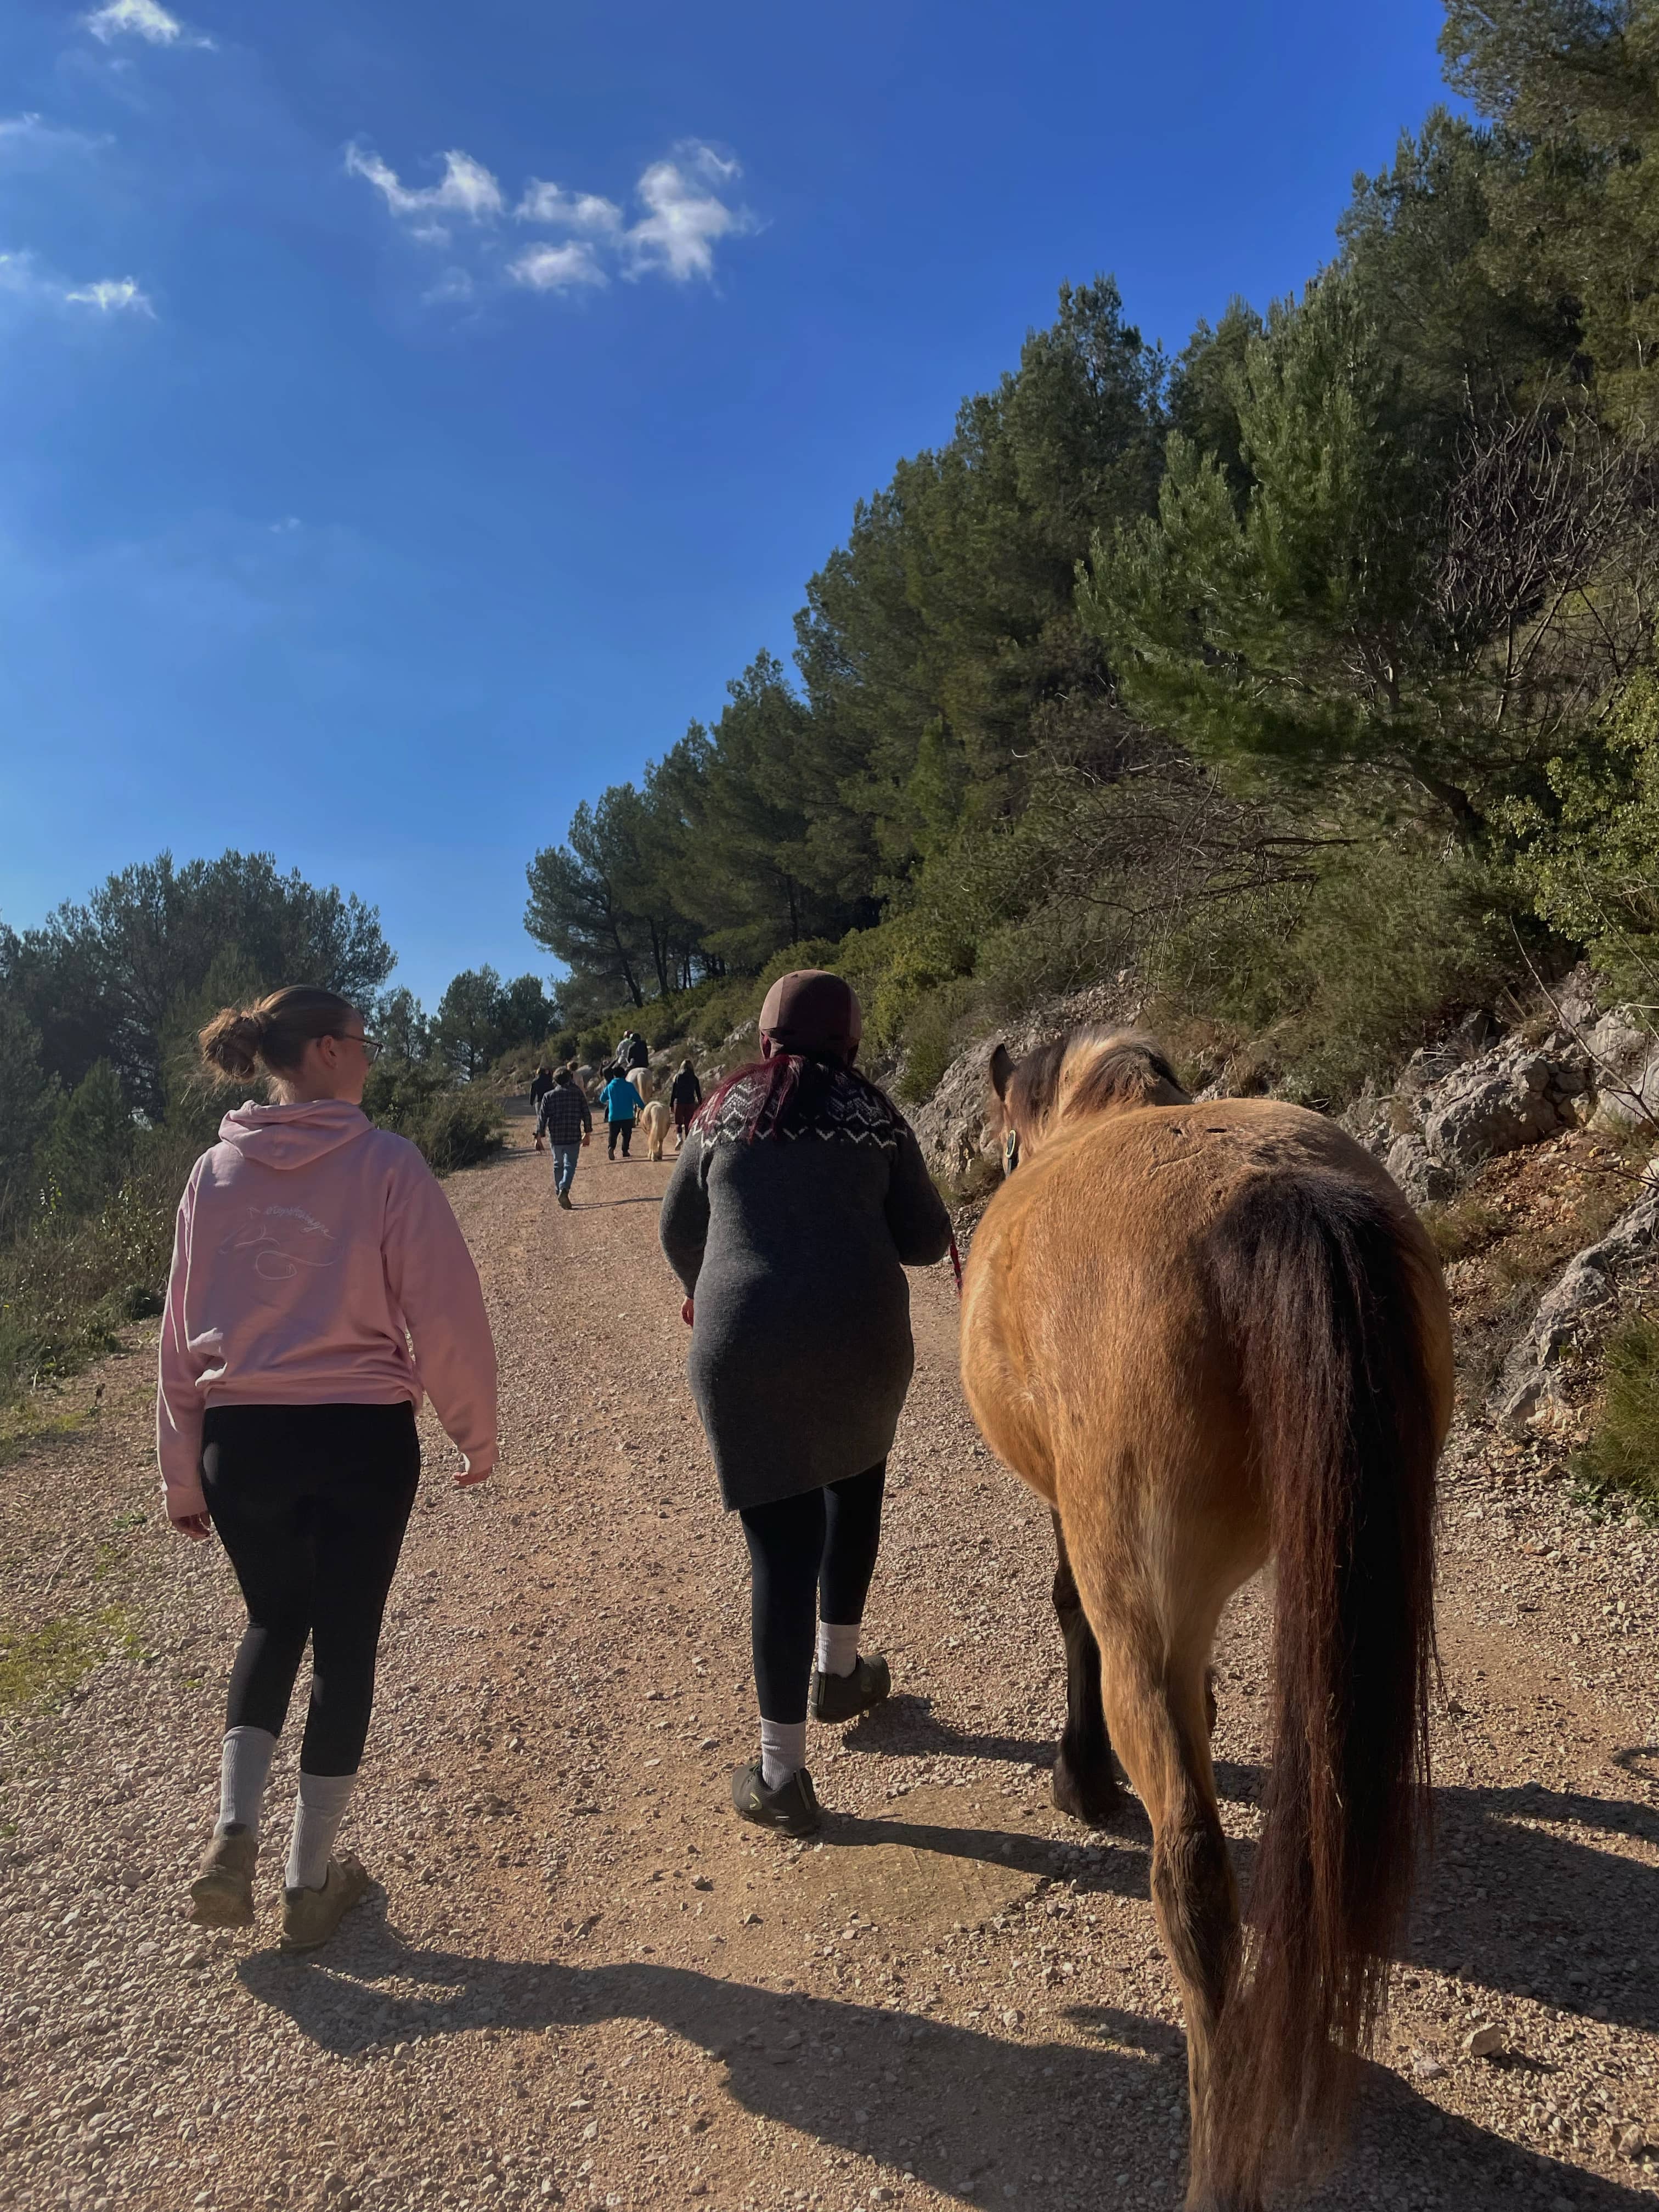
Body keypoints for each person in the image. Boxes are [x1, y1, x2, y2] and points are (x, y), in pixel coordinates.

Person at [159, 986, 498, 1951]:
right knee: (346, 1643)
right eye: (361, 1039)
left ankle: (233, 1835)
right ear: (323, 1050)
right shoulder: (385, 1163)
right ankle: (309, 1885)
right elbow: (442, 1306)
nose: (371, 1054)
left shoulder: (211, 1172)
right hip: (359, 1434)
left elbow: (181, 1336)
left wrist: (182, 1473)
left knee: (273, 1620)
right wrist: (474, 1428)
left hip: (244, 1441)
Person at [659, 969, 952, 1835]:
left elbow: (680, 1230)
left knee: (781, 1548)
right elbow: (930, 1241)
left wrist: (705, 1288)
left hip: (742, 1349)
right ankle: (840, 1670)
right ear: (851, 1041)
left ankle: (781, 1777)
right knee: (855, 1484)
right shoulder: (874, 1115)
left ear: (765, 1041)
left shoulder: (719, 1112)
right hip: (861, 1346)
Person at [535, 1062, 592, 1207]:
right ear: (571, 1078)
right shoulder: (578, 1094)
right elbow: (586, 1113)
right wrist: (588, 1133)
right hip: (573, 1136)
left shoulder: (549, 1096)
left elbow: (542, 1118)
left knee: (558, 1164)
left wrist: (538, 1137)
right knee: (570, 1165)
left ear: (555, 1081)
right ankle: (565, 1189)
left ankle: (559, 1190)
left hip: (555, 1137)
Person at [602, 1067, 644, 1160]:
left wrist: (611, 1098)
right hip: (628, 1115)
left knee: (613, 1134)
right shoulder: (629, 1085)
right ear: (624, 1075)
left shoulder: (610, 1086)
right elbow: (637, 1098)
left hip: (614, 1116)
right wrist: (643, 1107)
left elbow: (602, 1099)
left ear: (614, 1075)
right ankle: (625, 1151)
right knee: (627, 1134)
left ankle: (611, 1148)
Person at [668, 1059, 702, 1147]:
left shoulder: (678, 1077)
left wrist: (671, 1104)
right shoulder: (695, 1078)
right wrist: (701, 1104)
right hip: (690, 1103)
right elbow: (698, 1093)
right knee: (688, 1123)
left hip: (679, 1102)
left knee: (678, 1123)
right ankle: (688, 1142)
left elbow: (674, 1092)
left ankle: (679, 1139)